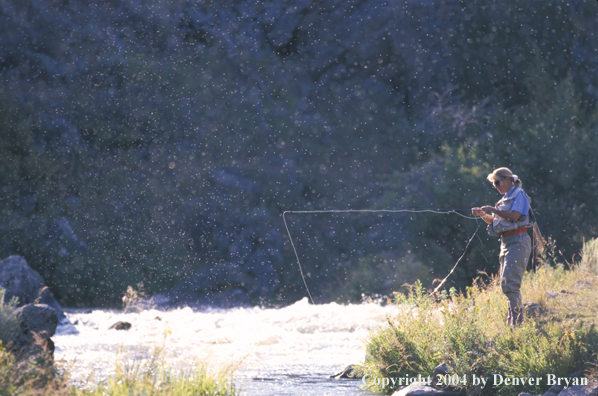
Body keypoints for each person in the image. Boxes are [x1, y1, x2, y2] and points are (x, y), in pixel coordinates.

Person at [472, 167, 535, 327]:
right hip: (506, 243)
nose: (496, 186)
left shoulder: (519, 195)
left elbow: (515, 216)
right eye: (493, 184)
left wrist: (493, 209)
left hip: (518, 241)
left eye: (497, 182)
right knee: (506, 283)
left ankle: (517, 323)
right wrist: (483, 215)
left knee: (510, 284)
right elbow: (494, 221)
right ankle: (512, 322)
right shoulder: (504, 199)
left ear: (508, 179)